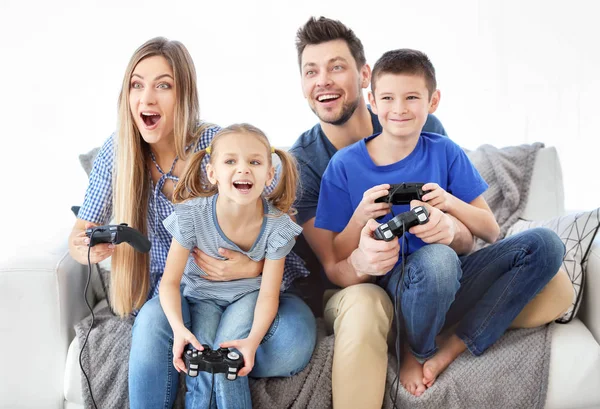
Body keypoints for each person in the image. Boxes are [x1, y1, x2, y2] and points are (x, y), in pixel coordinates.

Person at [290, 16, 572, 407]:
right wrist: (363, 246)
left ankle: (449, 339)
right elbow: (335, 265)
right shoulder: (316, 165)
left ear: (363, 76)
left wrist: (451, 224)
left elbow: (481, 233)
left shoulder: (429, 134)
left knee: (550, 268)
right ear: (376, 98)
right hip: (368, 285)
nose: (324, 80)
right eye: (311, 71)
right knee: (428, 268)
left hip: (443, 272)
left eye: (336, 66)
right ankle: (417, 347)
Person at [68, 37, 316, 409]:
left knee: (292, 341)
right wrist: (88, 247)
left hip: (253, 289)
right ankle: (205, 361)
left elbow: (279, 194)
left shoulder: (218, 145)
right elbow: (79, 236)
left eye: (163, 85)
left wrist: (254, 265)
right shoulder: (117, 151)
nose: (147, 98)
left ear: (183, 94)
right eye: (137, 85)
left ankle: (213, 361)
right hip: (178, 295)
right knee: (153, 323)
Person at [159, 123, 314, 408]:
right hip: (201, 298)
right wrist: (179, 328)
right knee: (201, 359)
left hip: (249, 297)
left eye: (254, 162)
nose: (243, 169)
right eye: (230, 161)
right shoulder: (191, 216)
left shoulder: (278, 227)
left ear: (269, 175)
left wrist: (253, 341)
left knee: (229, 355)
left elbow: (269, 294)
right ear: (212, 172)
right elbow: (169, 282)